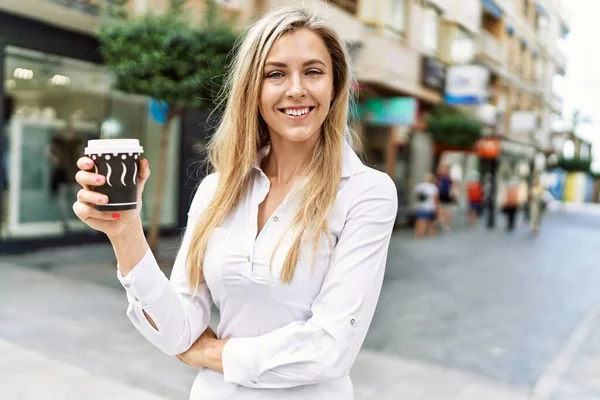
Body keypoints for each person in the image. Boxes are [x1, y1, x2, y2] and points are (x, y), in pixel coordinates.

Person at [73, 6, 397, 400]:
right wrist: (125, 233)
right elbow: (178, 330)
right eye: (275, 74)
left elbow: (330, 350)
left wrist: (212, 352)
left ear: (335, 85)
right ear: (253, 89)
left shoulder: (366, 192)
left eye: (313, 71)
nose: (296, 88)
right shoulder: (217, 190)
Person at [413, 173, 439, 238]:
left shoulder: (419, 186)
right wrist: (437, 208)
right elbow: (435, 199)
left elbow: (416, 196)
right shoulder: (433, 187)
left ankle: (418, 233)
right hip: (430, 207)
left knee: (420, 221)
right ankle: (430, 233)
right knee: (430, 222)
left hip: (420, 206)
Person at [436, 165, 454, 230]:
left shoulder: (441, 178)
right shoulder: (449, 178)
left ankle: (444, 222)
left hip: (443, 195)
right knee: (446, 210)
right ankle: (446, 224)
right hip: (447, 195)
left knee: (443, 209)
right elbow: (452, 187)